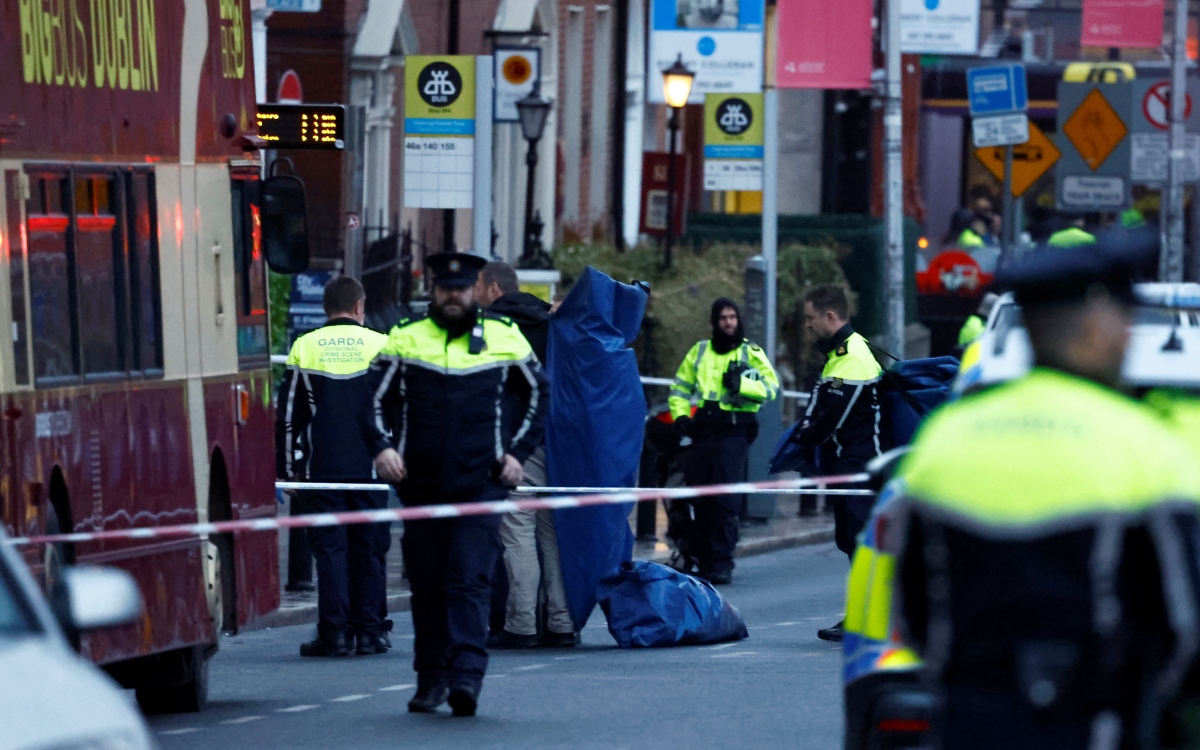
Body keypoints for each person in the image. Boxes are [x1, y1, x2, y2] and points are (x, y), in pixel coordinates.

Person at [883, 246, 1200, 750]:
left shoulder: (945, 439)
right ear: (1095, 327)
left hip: (968, 721)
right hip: (1095, 723)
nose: (1127, 339)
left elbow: (913, 605)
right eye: (1125, 323)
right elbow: (1182, 629)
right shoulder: (1144, 446)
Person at [369, 252, 548, 718]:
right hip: (421, 487)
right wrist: (383, 447)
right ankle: (431, 678)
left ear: (476, 291)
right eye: (445, 290)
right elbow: (371, 401)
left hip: (480, 484)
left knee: (469, 579)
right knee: (428, 586)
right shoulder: (405, 340)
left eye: (462, 289)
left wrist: (517, 454)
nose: (453, 297)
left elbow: (540, 394)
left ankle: (468, 676)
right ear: (434, 291)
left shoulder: (504, 339)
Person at [275, 276, 391, 657]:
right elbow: (400, 409)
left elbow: (290, 415)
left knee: (330, 551)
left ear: (327, 307)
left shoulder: (305, 346)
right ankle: (370, 633)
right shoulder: (381, 344)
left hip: (321, 468)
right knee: (369, 549)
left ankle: (335, 634)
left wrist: (288, 470)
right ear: (360, 306)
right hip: (373, 469)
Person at [474, 261, 574, 649]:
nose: (477, 294)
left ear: (494, 289)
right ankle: (561, 623)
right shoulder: (550, 322)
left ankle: (521, 624)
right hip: (558, 442)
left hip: (516, 443)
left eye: (480, 287)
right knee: (551, 536)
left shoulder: (490, 329)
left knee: (517, 532)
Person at [787, 285, 883, 643]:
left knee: (861, 540)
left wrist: (806, 435)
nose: (808, 326)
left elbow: (832, 416)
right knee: (850, 539)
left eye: (811, 318)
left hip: (862, 463)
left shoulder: (854, 356)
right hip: (847, 462)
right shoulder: (839, 355)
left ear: (831, 317)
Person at [668, 298, 779, 585]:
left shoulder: (750, 351)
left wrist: (741, 384)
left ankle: (722, 561)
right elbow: (679, 388)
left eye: (732, 317)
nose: (729, 322)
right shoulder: (700, 350)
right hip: (704, 431)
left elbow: (771, 388)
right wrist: (680, 418)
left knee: (725, 500)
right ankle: (701, 558)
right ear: (714, 322)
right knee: (700, 496)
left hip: (734, 432)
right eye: (723, 318)